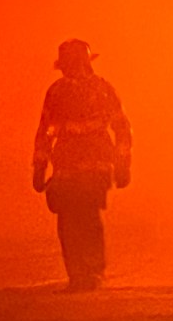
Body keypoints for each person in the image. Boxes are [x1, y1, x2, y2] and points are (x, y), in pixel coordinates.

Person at [32, 39, 132, 290]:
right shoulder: (58, 92)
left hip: (93, 165)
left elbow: (121, 126)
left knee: (85, 216)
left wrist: (123, 163)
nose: (70, 69)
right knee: (70, 220)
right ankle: (80, 275)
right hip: (69, 166)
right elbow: (46, 131)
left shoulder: (101, 89)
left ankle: (90, 274)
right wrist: (40, 166)